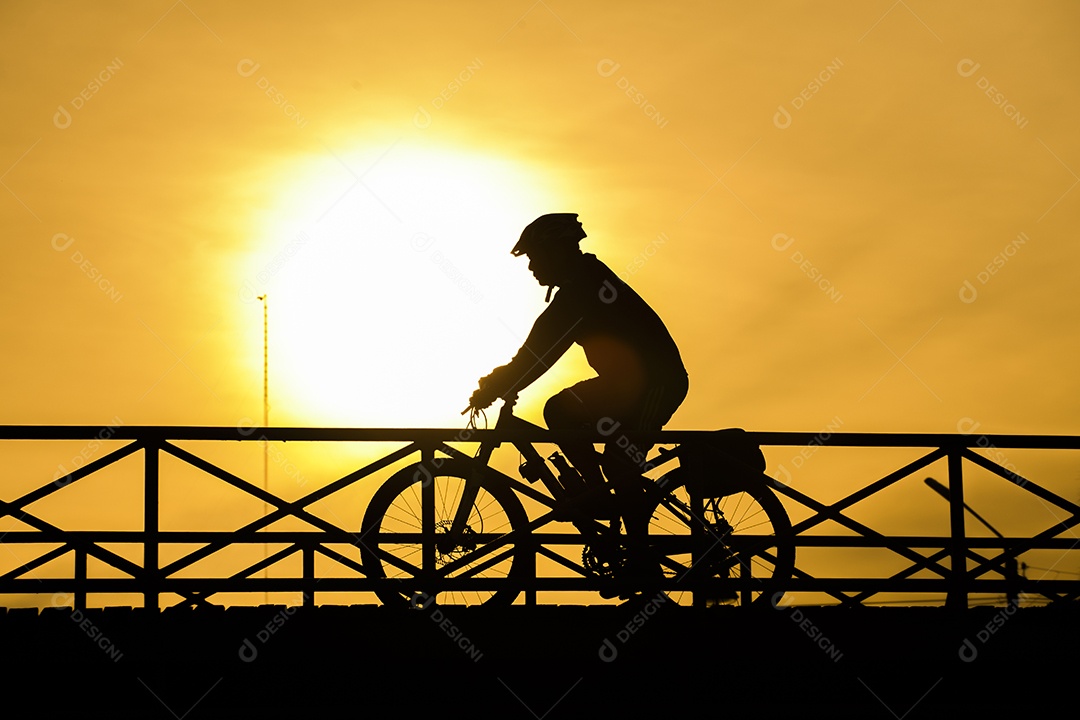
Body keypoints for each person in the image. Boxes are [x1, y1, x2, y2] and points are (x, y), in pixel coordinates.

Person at [469, 213, 689, 523]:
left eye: (534, 257)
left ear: (556, 252)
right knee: (562, 411)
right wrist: (501, 382)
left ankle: (639, 557)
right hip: (627, 385)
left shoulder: (584, 289)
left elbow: (538, 355)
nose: (531, 266)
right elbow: (537, 351)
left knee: (619, 464)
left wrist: (497, 386)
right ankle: (596, 496)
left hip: (657, 384)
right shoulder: (583, 282)